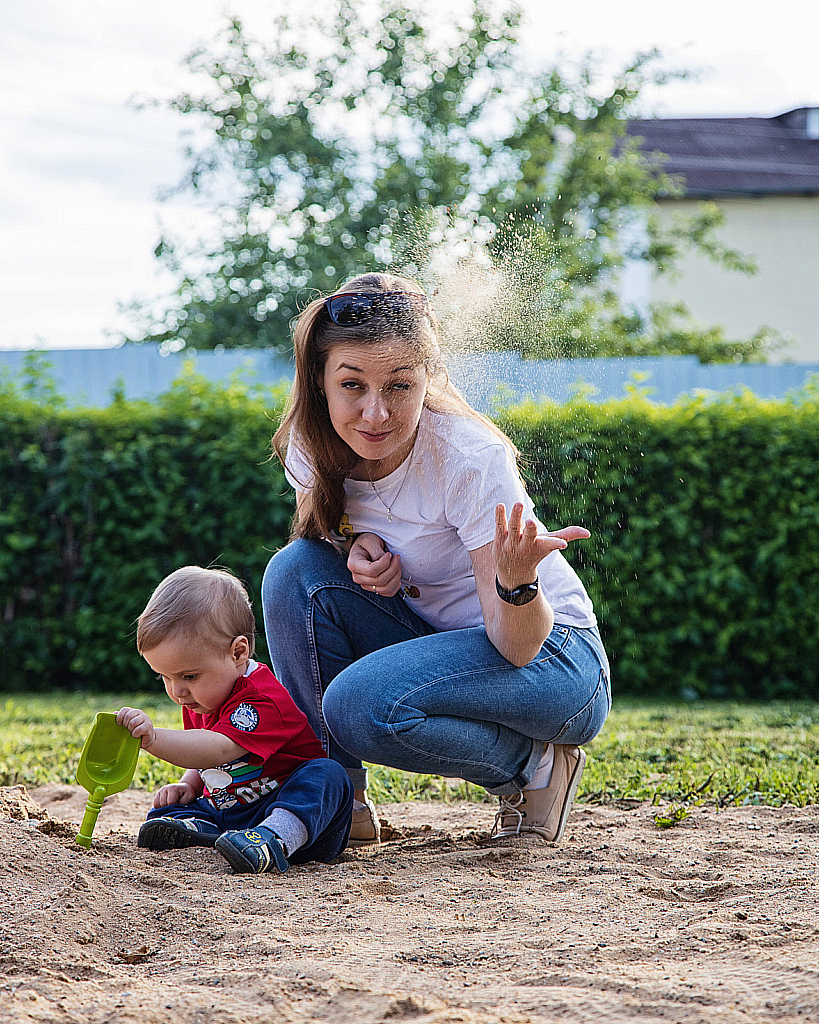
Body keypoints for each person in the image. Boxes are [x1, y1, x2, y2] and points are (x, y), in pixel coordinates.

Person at [262, 272, 611, 845]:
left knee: (358, 704)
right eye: (353, 385)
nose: (375, 413)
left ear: (429, 379)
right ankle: (333, 798)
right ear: (320, 382)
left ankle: (536, 767)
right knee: (294, 571)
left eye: (399, 386)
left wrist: (518, 579)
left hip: (553, 662)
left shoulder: (468, 458)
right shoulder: (313, 443)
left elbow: (515, 647)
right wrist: (355, 546)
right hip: (436, 639)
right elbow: (324, 532)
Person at [116, 565, 353, 874]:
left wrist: (154, 739)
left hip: (291, 812)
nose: (178, 691)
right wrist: (189, 783)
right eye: (165, 677)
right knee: (165, 808)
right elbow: (204, 758)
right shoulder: (201, 696)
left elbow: (220, 749)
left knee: (327, 774)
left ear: (238, 652)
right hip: (233, 807)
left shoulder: (260, 699)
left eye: (189, 675)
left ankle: (273, 839)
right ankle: (207, 828)